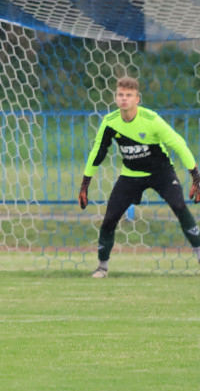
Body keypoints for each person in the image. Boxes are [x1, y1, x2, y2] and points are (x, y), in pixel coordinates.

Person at [78, 75, 200, 277]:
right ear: (116, 98)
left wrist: (196, 178)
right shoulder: (110, 122)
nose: (124, 98)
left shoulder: (151, 120)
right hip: (131, 175)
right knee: (109, 219)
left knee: (179, 206)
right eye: (120, 94)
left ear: (137, 99)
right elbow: (97, 153)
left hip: (161, 172)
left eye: (129, 95)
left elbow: (178, 144)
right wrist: (84, 185)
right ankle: (102, 268)